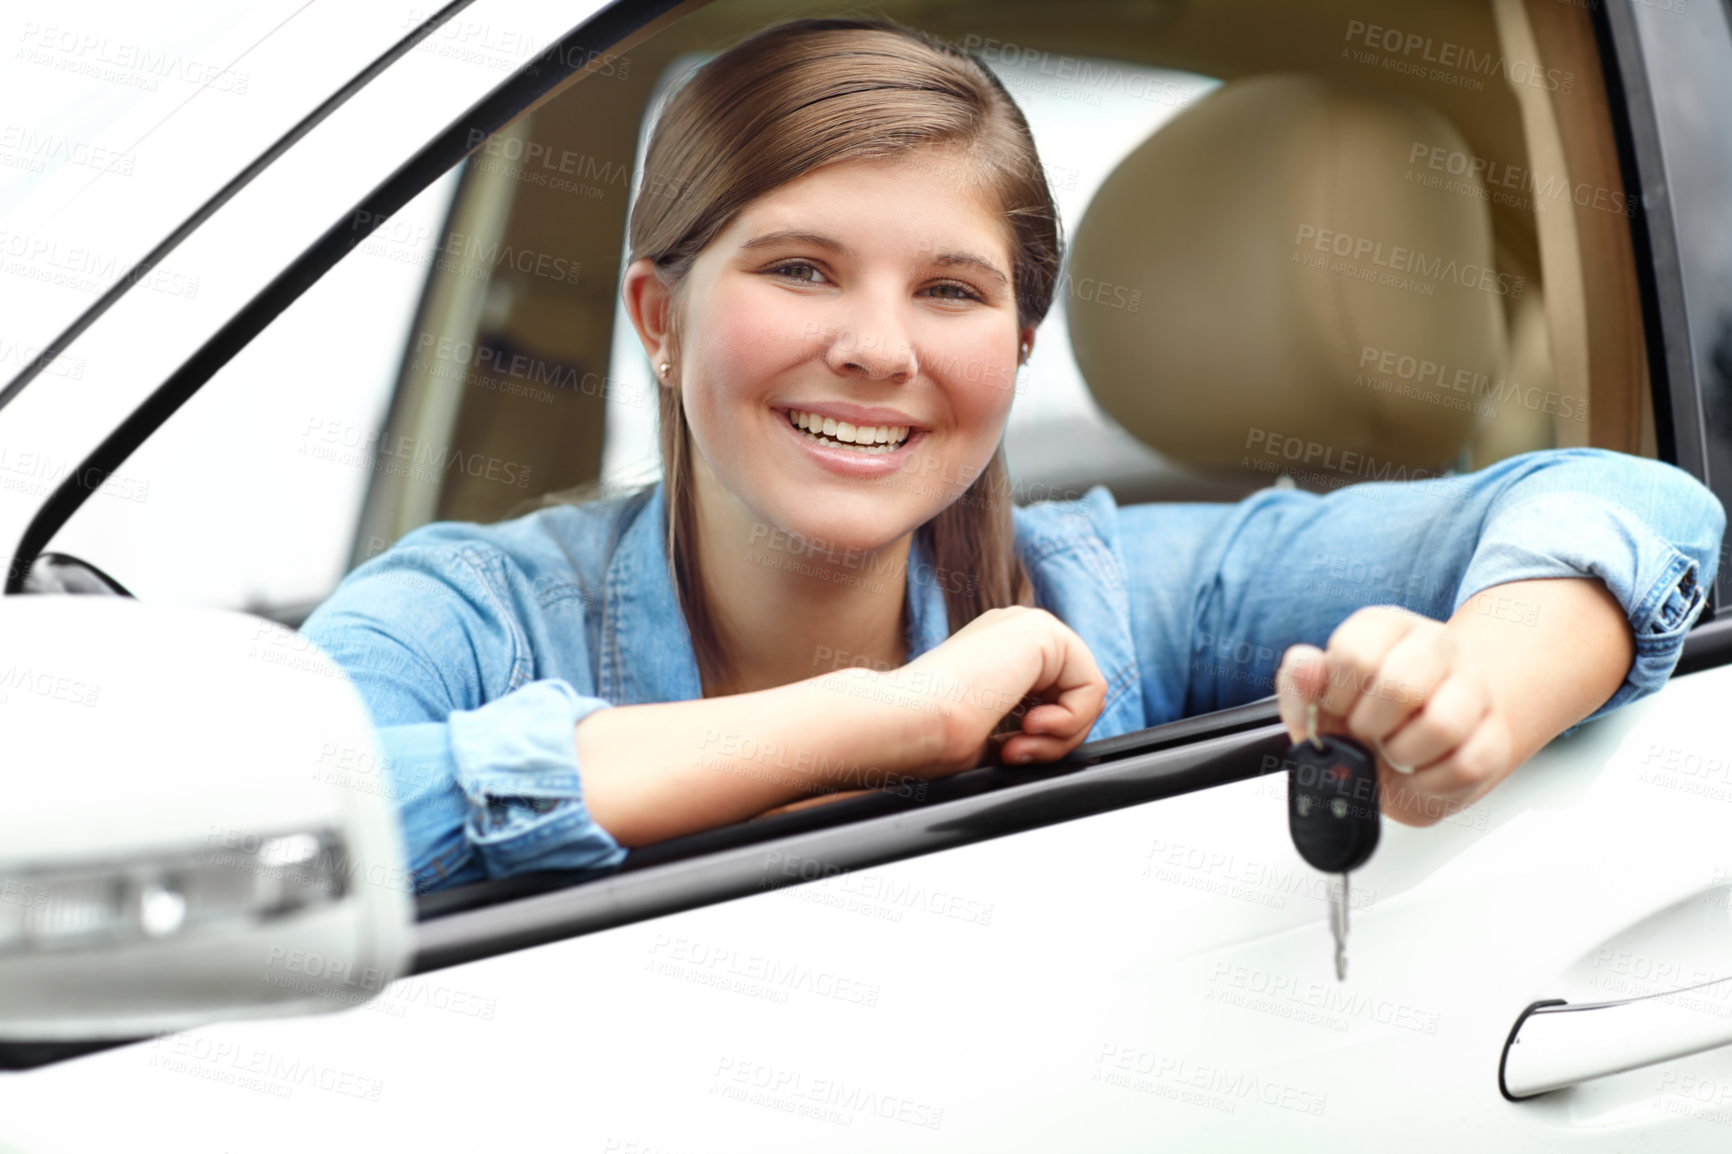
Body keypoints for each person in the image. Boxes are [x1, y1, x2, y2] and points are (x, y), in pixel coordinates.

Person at [300, 18, 1725, 894]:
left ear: (1022, 344)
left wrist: (1475, 692)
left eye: (952, 290)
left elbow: (1629, 503)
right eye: (800, 269)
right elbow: (290, 825)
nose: (876, 347)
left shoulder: (1114, 588)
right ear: (660, 319)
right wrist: (896, 719)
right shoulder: (471, 610)